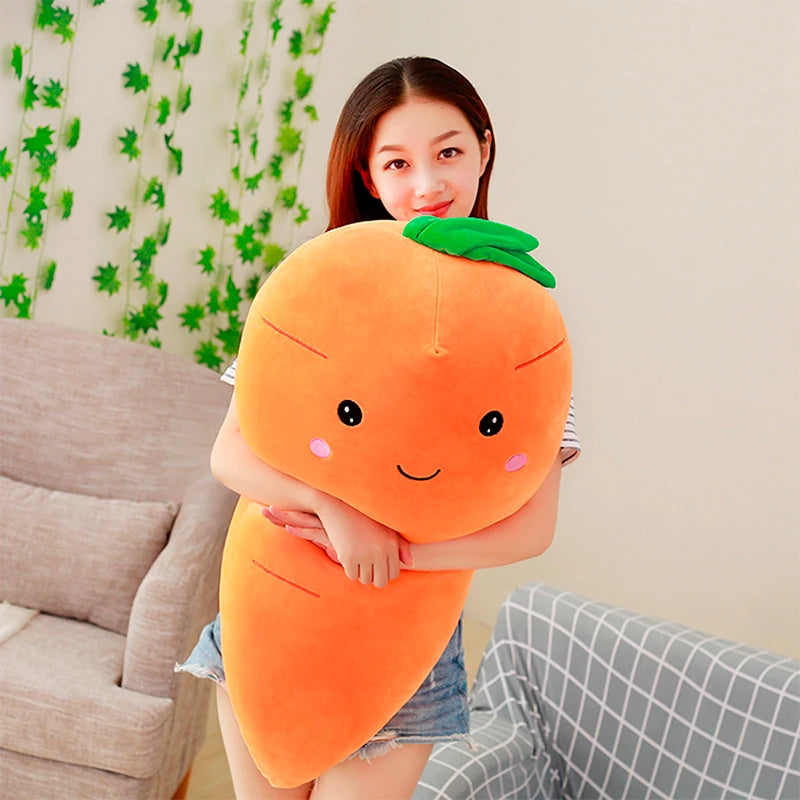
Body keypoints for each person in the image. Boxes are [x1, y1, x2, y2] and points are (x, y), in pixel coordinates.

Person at [176, 56, 581, 800]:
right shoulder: (319, 289)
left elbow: (531, 527)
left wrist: (396, 553)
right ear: (369, 175)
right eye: (398, 162)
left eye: (449, 152)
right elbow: (231, 453)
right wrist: (336, 513)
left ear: (484, 149)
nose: (427, 184)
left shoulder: (520, 320)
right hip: (275, 616)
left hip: (405, 646)